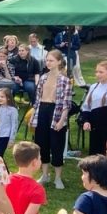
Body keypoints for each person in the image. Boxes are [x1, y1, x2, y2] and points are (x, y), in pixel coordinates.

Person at [30, 49, 73, 189]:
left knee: (57, 145)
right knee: (41, 144)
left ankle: (58, 177)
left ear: (59, 62)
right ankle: (45, 174)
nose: (48, 63)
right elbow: (37, 100)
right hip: (42, 110)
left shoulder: (65, 80)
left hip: (56, 112)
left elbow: (67, 103)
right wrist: (33, 115)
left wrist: (62, 120)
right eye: (47, 60)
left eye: (51, 61)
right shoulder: (43, 77)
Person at [80, 61, 107, 158]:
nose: (98, 74)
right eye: (96, 72)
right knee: (95, 157)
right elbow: (86, 107)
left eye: (101, 72)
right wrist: (86, 121)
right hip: (95, 129)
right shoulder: (93, 87)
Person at [0, 87, 18, 161]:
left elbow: (14, 125)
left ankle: (2, 168)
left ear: (8, 98)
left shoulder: (13, 110)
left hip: (5, 136)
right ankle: (1, 168)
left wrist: (11, 139)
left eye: (2, 97)